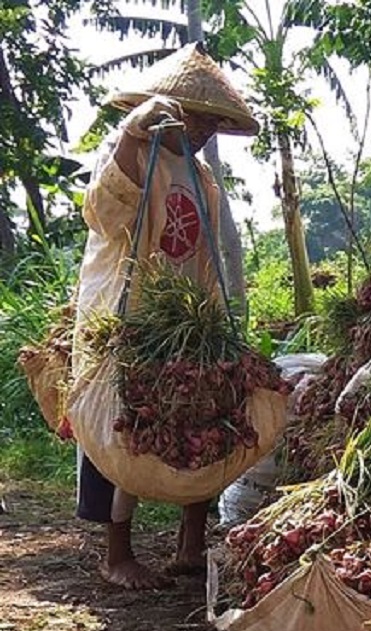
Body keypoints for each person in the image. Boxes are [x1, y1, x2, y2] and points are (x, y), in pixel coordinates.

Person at [71, 43, 258, 590]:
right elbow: (104, 212)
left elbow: (204, 256)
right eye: (195, 116)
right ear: (165, 107)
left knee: (204, 415)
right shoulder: (129, 149)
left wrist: (214, 325)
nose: (202, 130)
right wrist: (133, 133)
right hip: (127, 314)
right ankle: (117, 552)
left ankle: (190, 543)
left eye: (212, 121)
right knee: (118, 424)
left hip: (187, 319)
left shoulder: (201, 177)